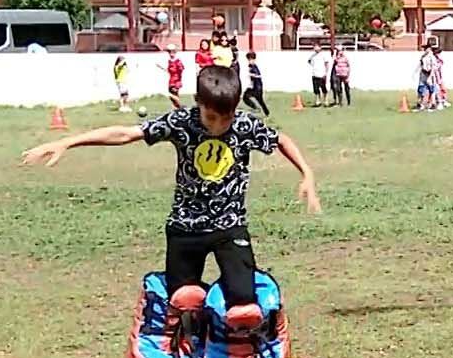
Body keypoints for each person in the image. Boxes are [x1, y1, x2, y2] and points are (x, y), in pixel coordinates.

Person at [20, 64, 321, 330]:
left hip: (229, 226)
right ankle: (188, 349)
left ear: (236, 107)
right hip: (184, 226)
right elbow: (126, 134)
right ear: (198, 104)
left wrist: (306, 173)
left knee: (244, 307)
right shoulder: (181, 123)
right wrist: (68, 141)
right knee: (183, 301)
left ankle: (235, 350)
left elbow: (281, 139)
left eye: (225, 118)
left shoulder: (244, 126)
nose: (218, 126)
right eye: (211, 117)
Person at [240, 51, 269, 116]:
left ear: (254, 59)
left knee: (245, 97)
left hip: (256, 87)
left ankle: (255, 108)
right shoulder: (251, 66)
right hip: (256, 87)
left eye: (251, 59)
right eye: (249, 60)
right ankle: (266, 112)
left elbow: (258, 75)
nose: (250, 61)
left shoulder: (253, 67)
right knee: (260, 101)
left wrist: (251, 75)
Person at [417, 43, 439, 112]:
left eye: (426, 48)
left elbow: (433, 67)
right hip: (423, 73)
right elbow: (420, 64)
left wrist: (430, 76)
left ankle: (433, 104)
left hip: (429, 73)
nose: (424, 50)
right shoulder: (423, 56)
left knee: (431, 89)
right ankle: (421, 104)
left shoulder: (432, 57)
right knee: (421, 89)